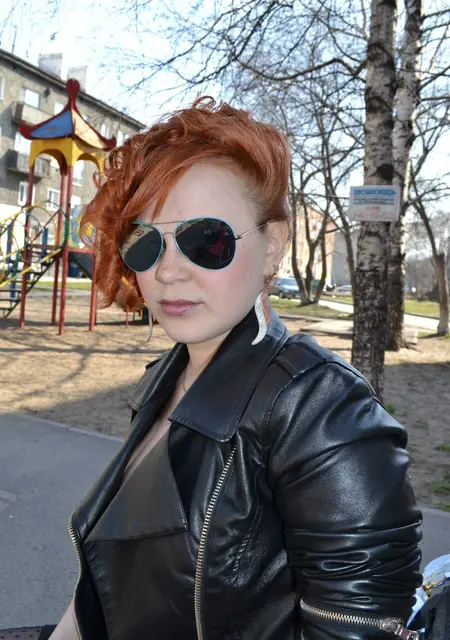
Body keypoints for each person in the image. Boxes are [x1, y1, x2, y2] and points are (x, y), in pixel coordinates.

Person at [49, 97, 421, 640]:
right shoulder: (164, 378)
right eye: (145, 242)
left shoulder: (323, 412)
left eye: (207, 239)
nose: (168, 271)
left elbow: (360, 626)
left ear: (272, 246)